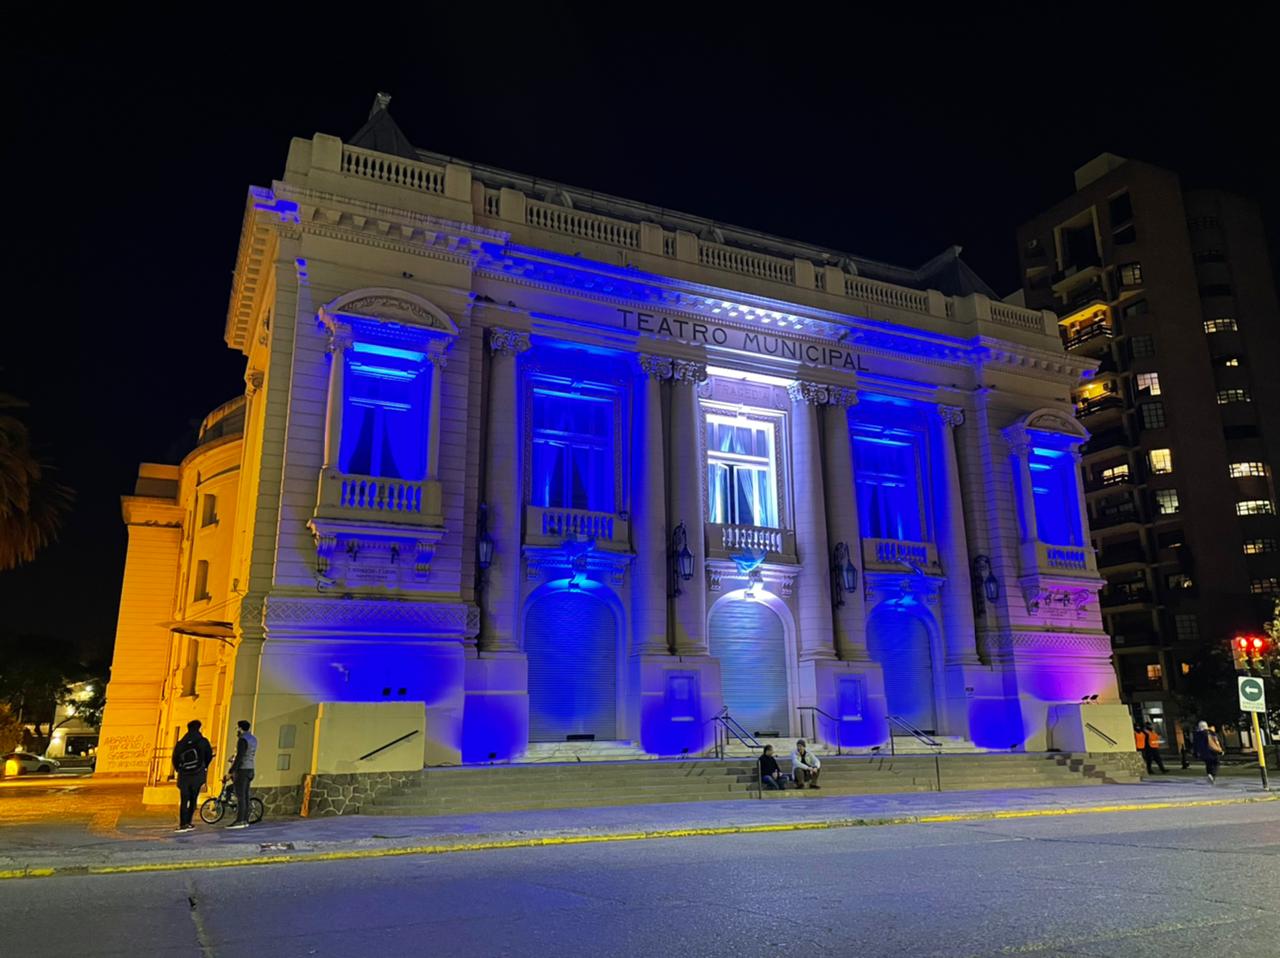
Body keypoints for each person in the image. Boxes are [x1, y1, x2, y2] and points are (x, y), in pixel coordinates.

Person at [172, 720, 213, 833]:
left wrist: (179, 769)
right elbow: (209, 756)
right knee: (193, 799)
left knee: (184, 799)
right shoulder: (203, 742)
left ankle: (183, 823)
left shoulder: (181, 743)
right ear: (199, 728)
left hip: (184, 775)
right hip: (197, 774)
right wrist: (203, 766)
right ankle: (189, 822)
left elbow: (175, 758)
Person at [224, 719, 258, 829]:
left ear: (240, 728)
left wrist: (231, 771)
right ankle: (245, 819)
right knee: (246, 795)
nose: (237, 730)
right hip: (250, 768)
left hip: (242, 770)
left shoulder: (242, 740)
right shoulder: (253, 739)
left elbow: (239, 757)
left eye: (237, 728)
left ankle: (240, 820)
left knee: (240, 796)